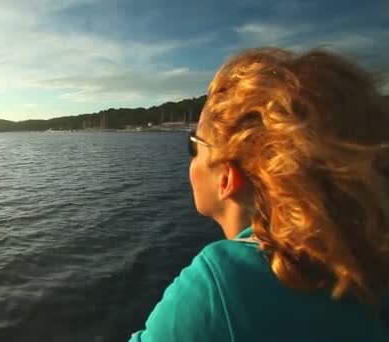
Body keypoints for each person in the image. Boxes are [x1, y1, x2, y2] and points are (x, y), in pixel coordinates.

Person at [129, 47, 389, 341]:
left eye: (193, 146)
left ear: (226, 177)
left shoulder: (220, 284)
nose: (190, 158)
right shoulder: (369, 265)